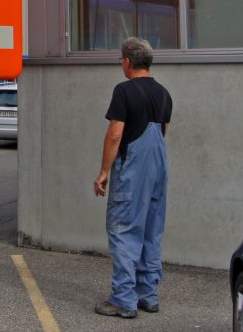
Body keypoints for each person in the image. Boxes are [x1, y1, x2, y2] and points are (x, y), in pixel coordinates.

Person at [93, 36, 172, 319]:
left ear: (127, 62)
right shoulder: (164, 94)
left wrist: (104, 171)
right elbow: (163, 131)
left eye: (121, 60)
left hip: (132, 171)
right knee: (151, 230)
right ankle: (148, 294)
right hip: (158, 171)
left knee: (124, 230)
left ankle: (124, 299)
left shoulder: (124, 91)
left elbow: (115, 135)